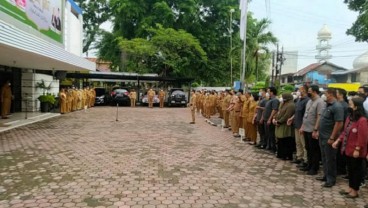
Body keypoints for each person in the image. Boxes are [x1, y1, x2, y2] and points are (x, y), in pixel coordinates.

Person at [332, 97, 368, 198]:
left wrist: (357, 149)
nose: (349, 106)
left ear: (356, 106)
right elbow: (345, 131)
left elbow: (363, 137)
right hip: (347, 149)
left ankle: (355, 191)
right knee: (350, 170)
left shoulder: (362, 120)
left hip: (356, 151)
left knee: (356, 170)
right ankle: (350, 188)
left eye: (351, 104)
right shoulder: (350, 117)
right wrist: (338, 140)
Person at [317, 88, 344, 188]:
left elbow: (339, 123)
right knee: (324, 157)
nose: (324, 96)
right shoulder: (326, 105)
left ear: (331, 95)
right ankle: (326, 175)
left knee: (330, 159)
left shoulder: (337, 107)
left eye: (325, 94)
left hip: (329, 137)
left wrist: (332, 137)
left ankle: (331, 179)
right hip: (322, 136)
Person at [299, 85, 325, 175]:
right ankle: (309, 165)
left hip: (313, 129)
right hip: (306, 128)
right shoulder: (309, 101)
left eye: (309, 91)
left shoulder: (320, 102)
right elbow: (305, 115)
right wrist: (302, 127)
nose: (308, 92)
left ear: (314, 91)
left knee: (314, 150)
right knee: (308, 148)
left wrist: (315, 129)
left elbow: (319, 116)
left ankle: (314, 168)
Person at [288, 85, 310, 167]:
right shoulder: (298, 100)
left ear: (304, 90)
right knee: (298, 142)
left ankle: (305, 160)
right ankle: (299, 157)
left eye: (300, 89)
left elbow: (306, 115)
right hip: (296, 124)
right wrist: (291, 118)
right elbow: (297, 112)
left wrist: (303, 126)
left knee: (303, 143)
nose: (298, 91)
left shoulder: (307, 101)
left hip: (302, 126)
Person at [274, 93, 295, 160]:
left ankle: (286, 155)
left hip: (286, 125)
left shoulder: (291, 105)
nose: (282, 98)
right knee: (280, 140)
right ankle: (280, 153)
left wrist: (279, 121)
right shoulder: (283, 104)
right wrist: (275, 119)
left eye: (284, 97)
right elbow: (279, 112)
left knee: (286, 140)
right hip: (279, 124)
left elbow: (287, 115)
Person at [263, 87, 280, 152]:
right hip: (266, 119)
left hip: (269, 120)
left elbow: (274, 110)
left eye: (268, 91)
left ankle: (273, 147)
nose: (268, 93)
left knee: (271, 134)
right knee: (268, 134)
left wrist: (270, 119)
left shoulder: (275, 100)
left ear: (272, 92)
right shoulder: (269, 100)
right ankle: (269, 145)